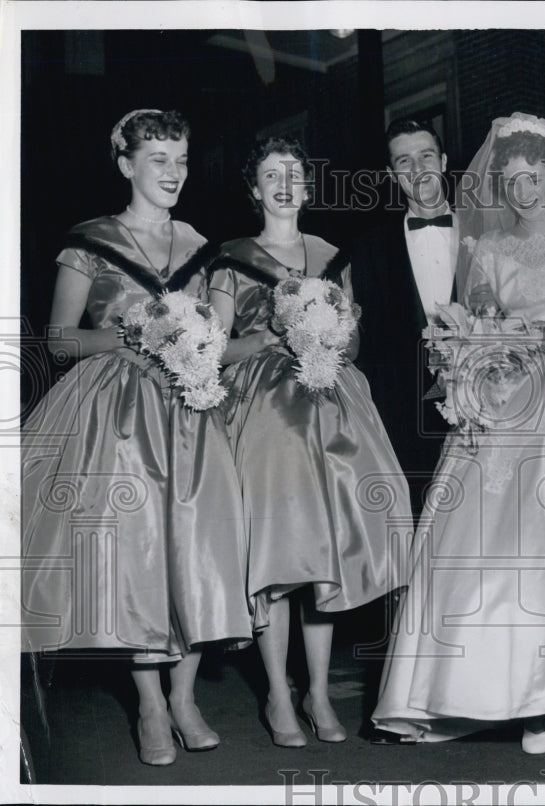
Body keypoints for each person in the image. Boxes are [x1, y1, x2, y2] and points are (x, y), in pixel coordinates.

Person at [372, 114, 545, 753]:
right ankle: (524, 703)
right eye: (513, 181)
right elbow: (476, 318)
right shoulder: (489, 249)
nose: (525, 191)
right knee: (498, 544)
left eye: (534, 178)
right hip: (502, 396)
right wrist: (484, 354)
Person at [21, 109, 252, 766]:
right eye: (159, 160)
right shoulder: (91, 242)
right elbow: (59, 339)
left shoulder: (203, 245)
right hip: (118, 410)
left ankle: (185, 695)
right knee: (138, 550)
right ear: (126, 165)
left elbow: (215, 335)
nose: (173, 172)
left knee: (205, 543)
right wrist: (131, 335)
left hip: (190, 404)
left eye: (180, 159)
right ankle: (150, 704)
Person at [208, 137, 411, 747]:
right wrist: (272, 338)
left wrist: (327, 336)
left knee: (327, 551)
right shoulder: (231, 259)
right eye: (271, 175)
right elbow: (212, 347)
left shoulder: (332, 256)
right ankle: (276, 693)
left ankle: (318, 691)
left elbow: (353, 344)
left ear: (307, 184)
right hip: (266, 410)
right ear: (254, 189)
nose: (284, 185)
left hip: (331, 401)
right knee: (278, 548)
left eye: (294, 174)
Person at [348, 120, 458, 521]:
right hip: (403, 421)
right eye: (404, 161)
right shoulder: (367, 249)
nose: (417, 169)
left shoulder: (484, 234)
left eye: (426, 156)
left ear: (443, 161)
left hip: (483, 407)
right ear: (393, 173)